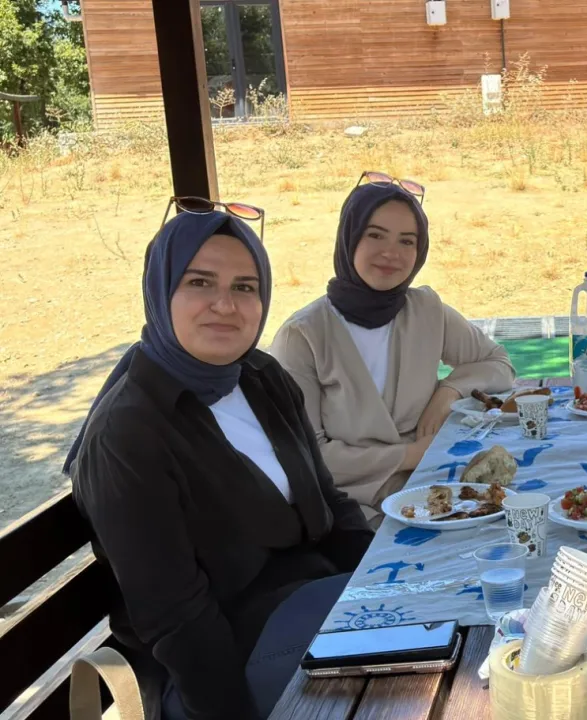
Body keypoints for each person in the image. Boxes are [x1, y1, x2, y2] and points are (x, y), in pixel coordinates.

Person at [65, 209, 375, 720]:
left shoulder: (260, 376)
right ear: (160, 290)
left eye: (245, 287)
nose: (225, 305)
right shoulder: (128, 432)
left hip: (311, 604)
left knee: (456, 612)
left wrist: (389, 579)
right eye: (199, 282)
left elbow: (329, 502)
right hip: (221, 667)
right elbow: (175, 617)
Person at [272, 179, 515, 519]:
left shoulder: (426, 310)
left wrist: (449, 390)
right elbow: (304, 455)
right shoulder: (303, 335)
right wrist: (411, 454)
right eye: (375, 235)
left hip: (434, 490)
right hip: (350, 511)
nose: (391, 253)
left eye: (407, 241)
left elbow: (499, 364)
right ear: (349, 238)